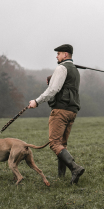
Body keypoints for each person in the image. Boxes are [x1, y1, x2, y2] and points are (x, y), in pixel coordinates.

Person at [28, 44, 85, 184]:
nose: (56, 56)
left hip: (60, 111)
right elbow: (64, 85)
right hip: (72, 111)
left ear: (65, 55)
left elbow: (53, 90)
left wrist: (37, 101)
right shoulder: (75, 71)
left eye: (59, 53)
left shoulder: (62, 68)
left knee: (54, 143)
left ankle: (75, 168)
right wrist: (53, 77)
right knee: (62, 144)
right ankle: (61, 177)